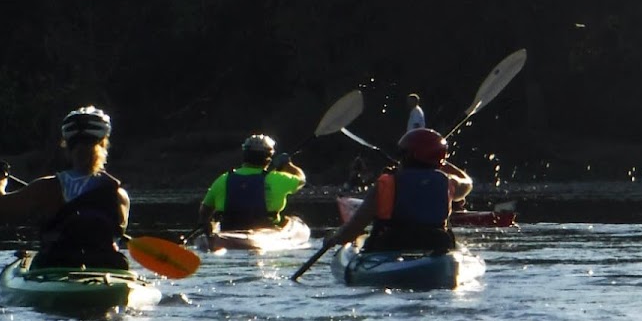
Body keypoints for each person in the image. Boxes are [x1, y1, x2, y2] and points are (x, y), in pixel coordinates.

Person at [0, 106, 130, 270]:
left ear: (66, 146)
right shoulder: (119, 195)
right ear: (104, 144)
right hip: (108, 267)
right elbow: (115, 234)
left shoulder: (46, 187)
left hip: (54, 265)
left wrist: (0, 179)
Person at [322, 128, 472, 253]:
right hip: (438, 243)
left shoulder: (386, 184)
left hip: (393, 243)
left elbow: (354, 228)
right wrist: (442, 163)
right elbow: (468, 183)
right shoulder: (449, 182)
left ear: (405, 155)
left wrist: (335, 238)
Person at [197, 134, 306, 233]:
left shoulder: (223, 179)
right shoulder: (277, 178)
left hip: (228, 230)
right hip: (266, 231)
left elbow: (205, 208)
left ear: (245, 156)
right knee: (288, 221)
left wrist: (205, 223)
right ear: (268, 158)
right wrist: (288, 165)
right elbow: (301, 180)